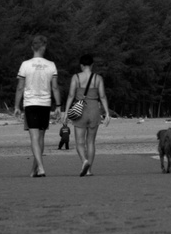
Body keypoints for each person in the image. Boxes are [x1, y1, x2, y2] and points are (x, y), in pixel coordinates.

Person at [13, 35, 60, 177]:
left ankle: (40, 167)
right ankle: (35, 169)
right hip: (45, 104)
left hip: (31, 104)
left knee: (34, 137)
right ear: (43, 47)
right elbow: (55, 87)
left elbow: (20, 87)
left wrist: (16, 106)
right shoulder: (51, 65)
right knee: (41, 137)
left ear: (32, 47)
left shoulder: (25, 65)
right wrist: (58, 105)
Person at [62, 54, 109, 177]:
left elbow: (71, 96)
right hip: (94, 110)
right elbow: (103, 96)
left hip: (80, 110)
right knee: (91, 142)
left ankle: (84, 161)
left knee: (79, 142)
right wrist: (107, 113)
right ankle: (88, 170)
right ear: (92, 65)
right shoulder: (98, 78)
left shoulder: (76, 77)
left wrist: (66, 112)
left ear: (81, 65)